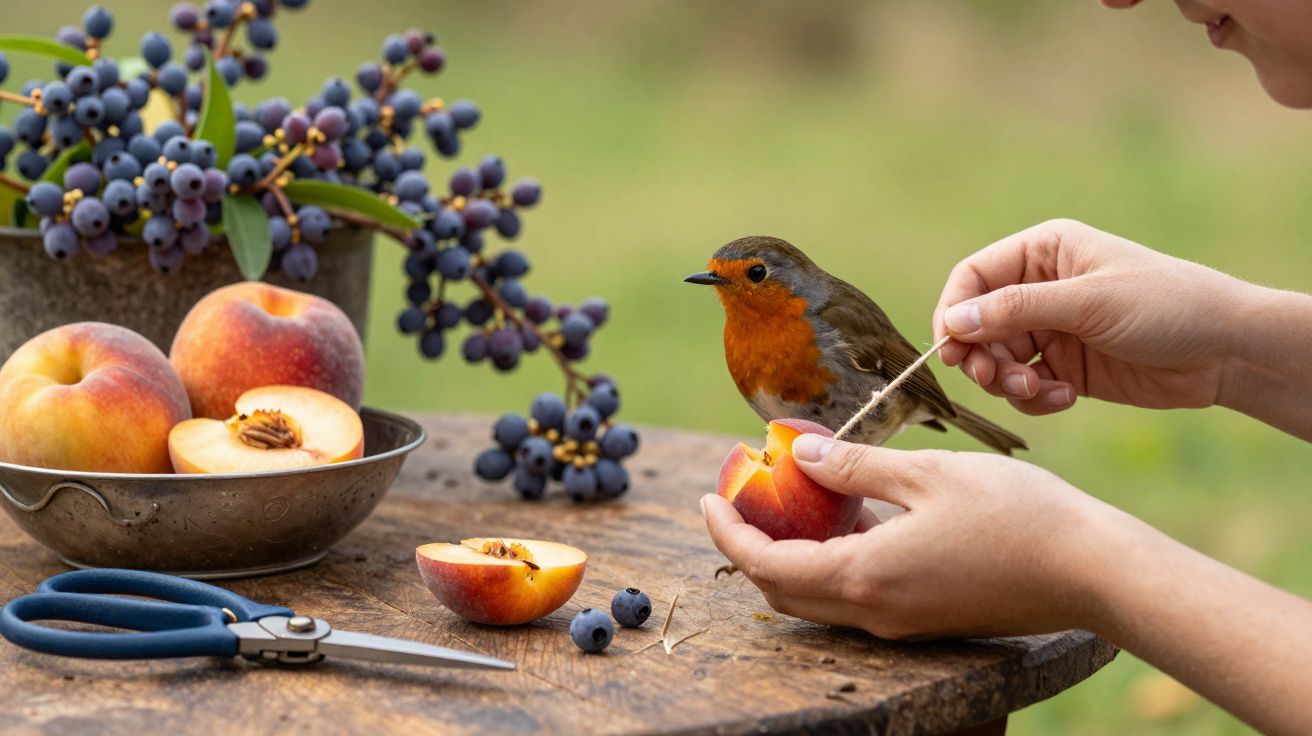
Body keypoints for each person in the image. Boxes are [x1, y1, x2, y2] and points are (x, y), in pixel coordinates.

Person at [701, 2, 1312, 733]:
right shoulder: (743, 336)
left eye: (754, 274)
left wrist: (1079, 564)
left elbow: (894, 375)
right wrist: (1233, 342)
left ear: (788, 281)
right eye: (724, 278)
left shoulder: (822, 323)